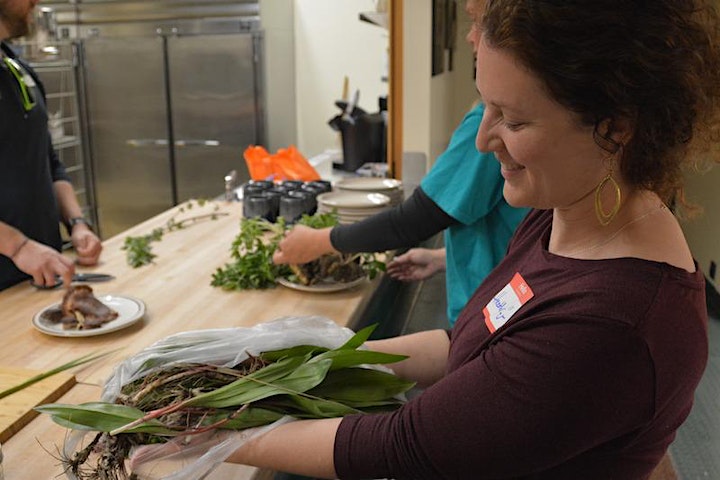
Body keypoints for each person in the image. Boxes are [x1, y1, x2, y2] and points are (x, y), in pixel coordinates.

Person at [225, 0, 720, 478]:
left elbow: (405, 445)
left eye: (515, 119)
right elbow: (473, 340)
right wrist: (329, 359)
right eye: (486, 106)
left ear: (616, 128)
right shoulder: (565, 212)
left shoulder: (611, 323)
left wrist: (213, 435)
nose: (483, 140)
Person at [273, 0, 529, 327]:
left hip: (486, 318)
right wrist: (444, 258)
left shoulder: (482, 124)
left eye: (476, 22)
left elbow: (416, 219)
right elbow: (506, 234)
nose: (469, 37)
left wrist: (319, 242)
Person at [0, 0, 102, 290]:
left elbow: (47, 162)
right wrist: (18, 247)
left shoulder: (17, 68)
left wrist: (77, 223)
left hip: (41, 275)